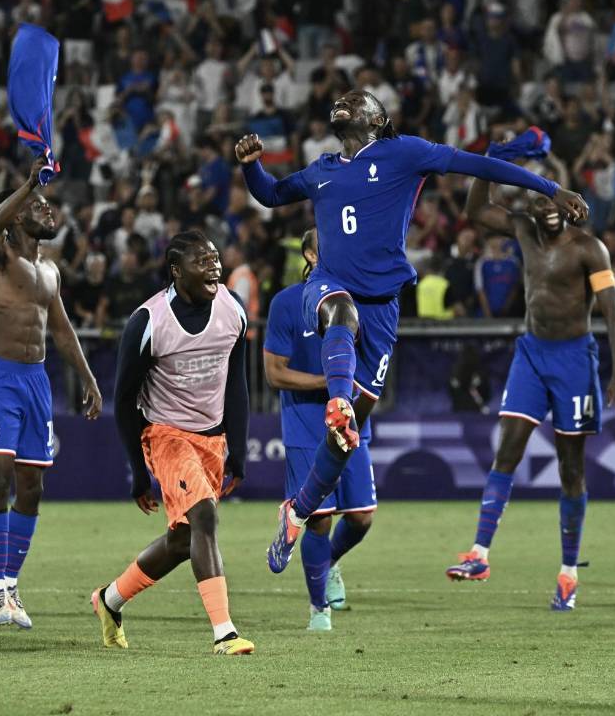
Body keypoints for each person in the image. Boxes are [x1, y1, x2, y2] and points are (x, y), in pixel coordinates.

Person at [235, 89, 589, 574]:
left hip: (383, 308)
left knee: (344, 440)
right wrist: (252, 166)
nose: (344, 101)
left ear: (378, 119)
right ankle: (337, 400)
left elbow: (478, 166)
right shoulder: (321, 170)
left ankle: (296, 512)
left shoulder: (405, 153)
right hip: (331, 287)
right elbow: (271, 195)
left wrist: (550, 188)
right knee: (339, 312)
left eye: (357, 99)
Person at [445, 132, 615, 611]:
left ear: (570, 205)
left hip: (574, 359)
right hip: (532, 353)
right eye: (536, 197)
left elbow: (613, 314)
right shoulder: (524, 229)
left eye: (552, 198)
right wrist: (492, 159)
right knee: (507, 447)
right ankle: (480, 553)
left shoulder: (590, 249)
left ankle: (569, 574)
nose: (543, 207)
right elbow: (474, 210)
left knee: (571, 468)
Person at [89, 230, 253, 656]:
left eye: (216, 258)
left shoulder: (233, 309)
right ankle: (225, 633)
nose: (214, 267)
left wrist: (240, 446)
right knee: (205, 517)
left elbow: (237, 383)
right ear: (177, 271)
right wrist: (137, 471)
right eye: (203, 261)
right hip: (165, 434)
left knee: (184, 540)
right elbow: (124, 401)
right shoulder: (149, 322)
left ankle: (109, 601)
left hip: (212, 437)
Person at [0, 159, 102, 629]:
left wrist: (88, 378)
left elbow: (61, 331)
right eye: (40, 207)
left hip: (37, 381)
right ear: (19, 215)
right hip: (0, 377)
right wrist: (27, 184)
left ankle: (12, 587)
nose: (50, 212)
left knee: (32, 487)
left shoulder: (50, 272)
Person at [263, 229, 376, 632]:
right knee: (320, 518)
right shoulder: (287, 303)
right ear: (309, 253)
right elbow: (273, 373)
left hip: (348, 416)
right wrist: (328, 384)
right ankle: (318, 611)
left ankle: (328, 564)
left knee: (362, 516)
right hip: (305, 421)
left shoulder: (358, 299)